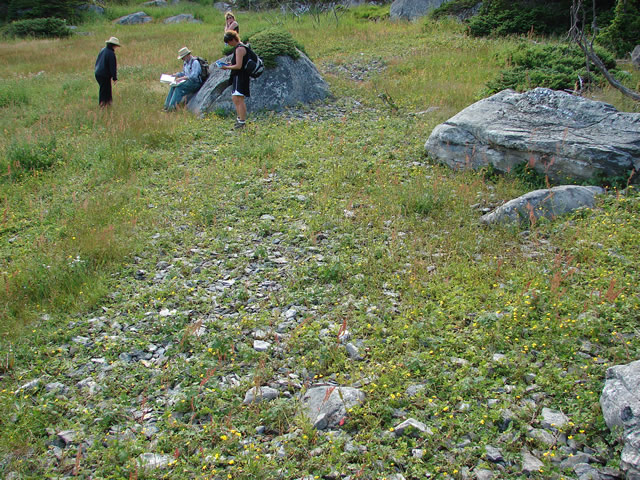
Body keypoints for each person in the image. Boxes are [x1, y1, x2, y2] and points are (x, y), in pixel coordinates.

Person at [221, 31, 251, 130]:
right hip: (238, 76)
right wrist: (230, 63)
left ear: (233, 40)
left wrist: (227, 67)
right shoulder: (240, 47)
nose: (229, 44)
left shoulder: (239, 49)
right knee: (235, 98)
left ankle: (242, 122)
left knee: (239, 99)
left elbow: (238, 66)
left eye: (228, 42)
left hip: (240, 76)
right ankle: (239, 119)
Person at [163, 47, 203, 111]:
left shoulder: (195, 62)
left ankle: (171, 108)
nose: (182, 59)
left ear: (187, 55)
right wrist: (176, 75)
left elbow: (194, 76)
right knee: (173, 86)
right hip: (187, 81)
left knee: (179, 88)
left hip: (195, 83)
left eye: (183, 57)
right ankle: (166, 106)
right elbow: (184, 73)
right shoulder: (185, 63)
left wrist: (183, 78)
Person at [94, 37, 120, 107]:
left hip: (98, 73)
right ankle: (103, 105)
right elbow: (112, 67)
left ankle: (108, 103)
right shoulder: (111, 53)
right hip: (104, 74)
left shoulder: (103, 50)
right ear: (113, 45)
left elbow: (97, 61)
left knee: (106, 89)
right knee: (104, 90)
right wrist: (114, 78)